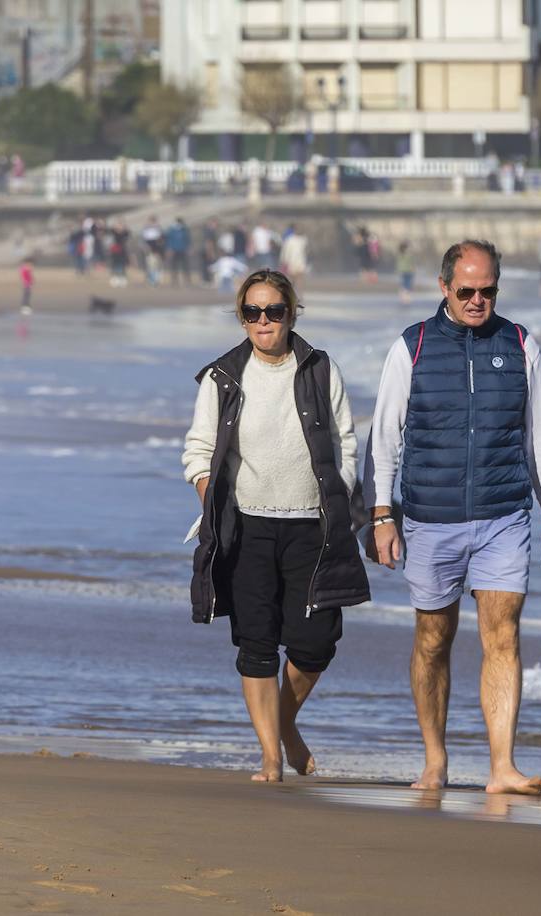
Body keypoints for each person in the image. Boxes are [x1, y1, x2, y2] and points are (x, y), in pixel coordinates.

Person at [362, 239, 541, 796]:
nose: (478, 300)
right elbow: (383, 438)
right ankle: (435, 759)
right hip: (430, 518)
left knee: (503, 636)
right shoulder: (413, 346)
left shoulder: (520, 343)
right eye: (467, 291)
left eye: (488, 290)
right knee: (434, 637)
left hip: (504, 515)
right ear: (444, 287)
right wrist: (381, 516)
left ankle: (502, 767)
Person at [183, 268, 370, 782]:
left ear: (291, 314)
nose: (263, 321)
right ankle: (270, 755)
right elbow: (198, 453)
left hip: (313, 525)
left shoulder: (320, 370)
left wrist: (338, 491)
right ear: (242, 318)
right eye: (252, 312)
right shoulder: (224, 376)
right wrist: (212, 498)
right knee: (257, 643)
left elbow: (345, 442)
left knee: (315, 643)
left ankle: (284, 725)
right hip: (246, 527)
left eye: (274, 311)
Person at [165, 217, 192, 287]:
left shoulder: (185, 229)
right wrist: (169, 249)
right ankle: (174, 281)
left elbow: (188, 240)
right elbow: (169, 240)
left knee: (185, 266)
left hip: (183, 250)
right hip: (174, 250)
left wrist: (188, 248)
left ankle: (187, 281)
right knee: (174, 266)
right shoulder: (171, 230)